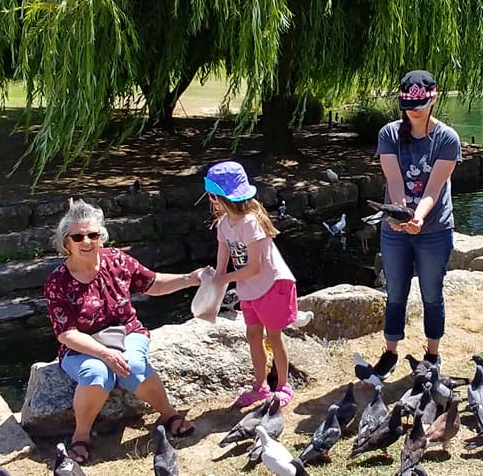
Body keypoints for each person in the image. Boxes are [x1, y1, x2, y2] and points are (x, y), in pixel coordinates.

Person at [45, 199, 205, 464]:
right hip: (82, 344)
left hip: (127, 331)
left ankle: (169, 414)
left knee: (132, 365)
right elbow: (66, 333)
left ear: (101, 237)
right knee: (97, 374)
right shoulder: (57, 281)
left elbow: (152, 283)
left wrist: (189, 279)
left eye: (93, 235)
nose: (87, 241)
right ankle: (81, 437)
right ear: (67, 242)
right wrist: (105, 353)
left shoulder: (117, 260)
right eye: (78, 236)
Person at [370, 69, 462, 379]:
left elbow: (434, 188)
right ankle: (390, 351)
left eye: (419, 106)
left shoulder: (447, 139)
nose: (413, 112)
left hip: (434, 229)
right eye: (408, 106)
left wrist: (418, 218)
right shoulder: (389, 134)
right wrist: (400, 216)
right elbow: (394, 180)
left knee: (431, 293)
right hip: (395, 229)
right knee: (395, 291)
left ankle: (432, 354)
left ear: (433, 99)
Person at [204, 161, 298, 407]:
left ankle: (283, 385)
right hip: (250, 289)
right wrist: (217, 277)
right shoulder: (224, 224)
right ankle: (260, 385)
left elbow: (255, 267)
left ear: (220, 196)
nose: (210, 200)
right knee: (253, 334)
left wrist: (225, 279)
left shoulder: (251, 223)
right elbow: (223, 255)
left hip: (272, 286)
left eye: (212, 195)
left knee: (274, 336)